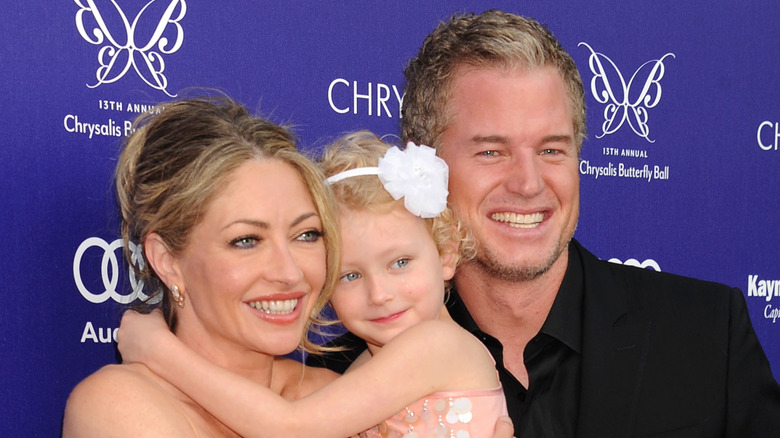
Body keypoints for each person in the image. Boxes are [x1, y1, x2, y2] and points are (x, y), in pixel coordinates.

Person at [312, 9, 780, 437]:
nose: (529, 184)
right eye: (491, 151)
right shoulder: (340, 382)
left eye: (552, 149)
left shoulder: (706, 332)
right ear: (424, 162)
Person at [114, 131, 509, 438]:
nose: (380, 294)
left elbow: (289, 428)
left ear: (446, 253)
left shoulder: (435, 345)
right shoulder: (364, 369)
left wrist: (159, 351)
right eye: (350, 275)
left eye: (401, 263)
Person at [62, 96, 343, 436]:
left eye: (307, 234)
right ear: (168, 262)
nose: (290, 273)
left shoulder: (331, 396)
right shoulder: (116, 404)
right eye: (246, 240)